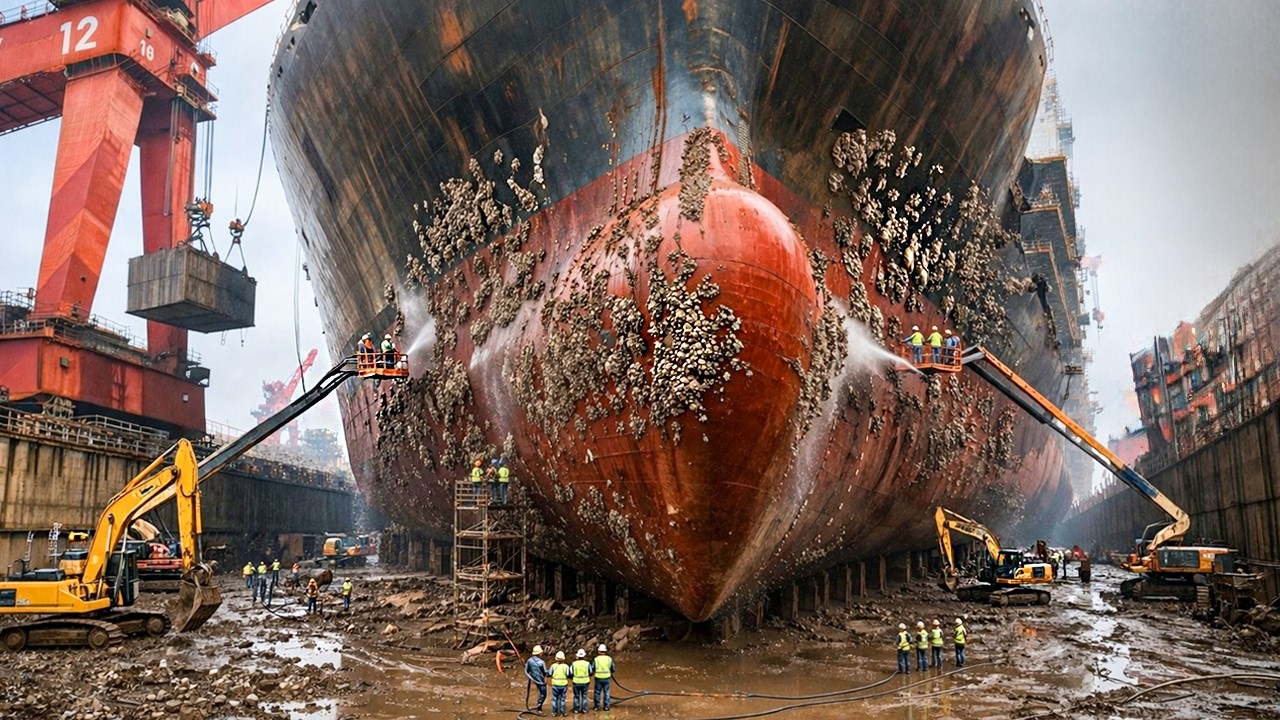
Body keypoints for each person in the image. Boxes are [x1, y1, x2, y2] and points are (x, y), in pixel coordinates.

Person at [525, 645, 548, 714]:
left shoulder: (529, 660)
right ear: (540, 653)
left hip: (533, 678)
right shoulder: (541, 662)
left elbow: (526, 670)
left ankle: (539, 706)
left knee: (541, 692)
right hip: (540, 680)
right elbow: (545, 672)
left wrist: (530, 676)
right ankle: (539, 707)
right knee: (544, 693)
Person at [570, 649, 592, 714]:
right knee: (584, 696)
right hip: (585, 682)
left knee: (576, 696)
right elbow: (590, 672)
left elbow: (571, 672)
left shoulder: (574, 664)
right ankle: (584, 710)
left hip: (576, 682)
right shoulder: (587, 663)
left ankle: (576, 710)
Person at [549, 651, 570, 717]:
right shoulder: (566, 666)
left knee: (555, 698)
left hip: (555, 684)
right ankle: (562, 713)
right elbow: (568, 674)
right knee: (562, 699)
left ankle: (554, 712)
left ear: (556, 658)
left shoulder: (553, 666)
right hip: (563, 684)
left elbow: (550, 673)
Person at [593, 643, 614, 711]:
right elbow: (612, 668)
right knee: (606, 692)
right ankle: (606, 706)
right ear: (605, 651)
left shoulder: (596, 659)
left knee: (597, 692)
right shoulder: (609, 659)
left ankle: (597, 706)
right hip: (607, 678)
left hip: (598, 678)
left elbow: (592, 668)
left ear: (599, 651)